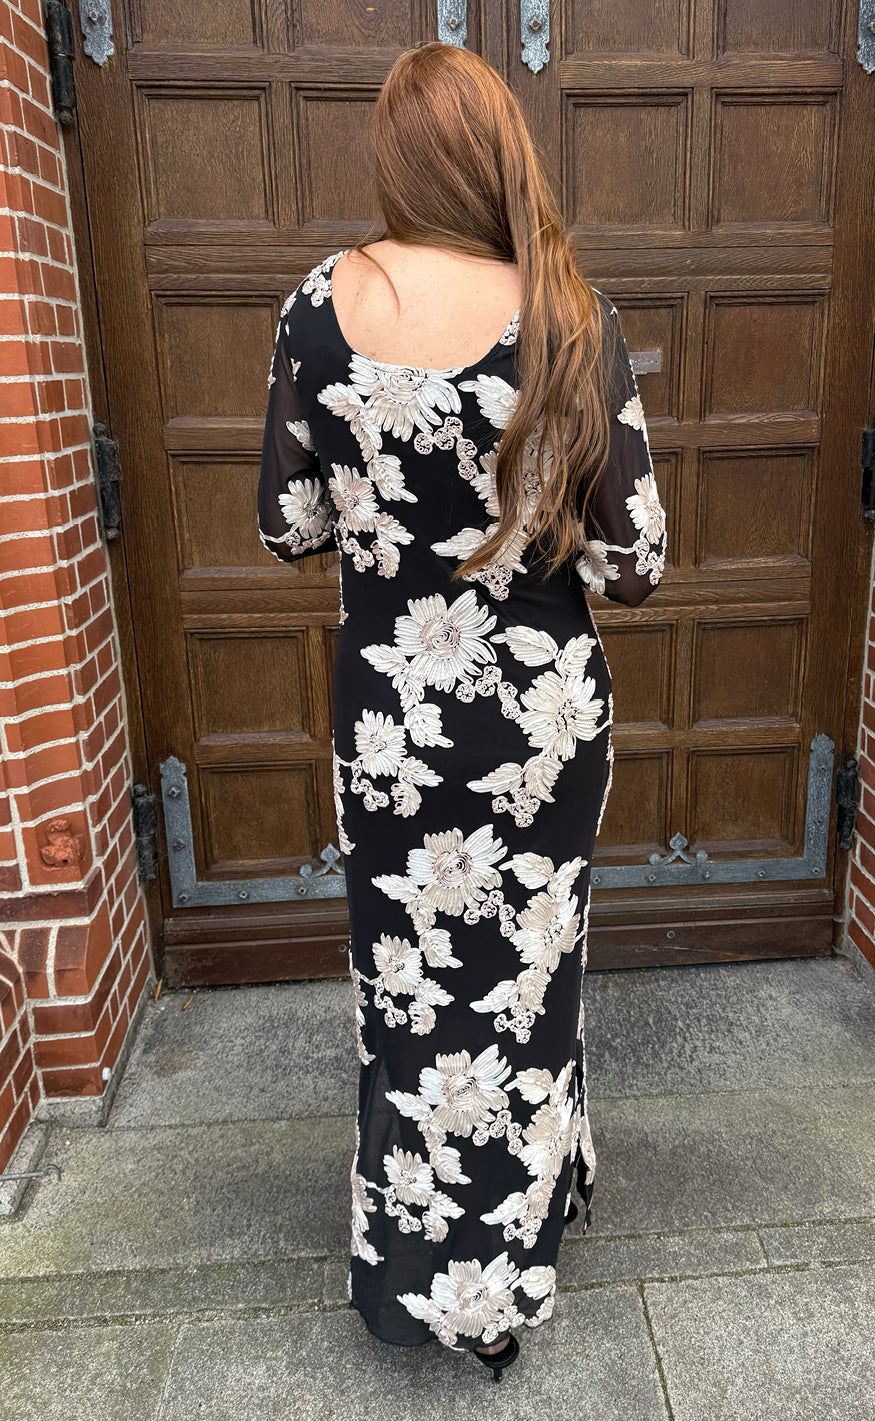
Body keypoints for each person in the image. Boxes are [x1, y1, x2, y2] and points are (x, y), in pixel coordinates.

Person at [257, 40, 666, 1383]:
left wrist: (390, 519)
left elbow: (287, 523)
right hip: (539, 726)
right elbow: (637, 563)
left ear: (395, 161)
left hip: (390, 722)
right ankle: (514, 1248)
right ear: (500, 154)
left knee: (408, 986)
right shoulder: (571, 317)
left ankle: (417, 1263)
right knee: (531, 976)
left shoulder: (317, 307)